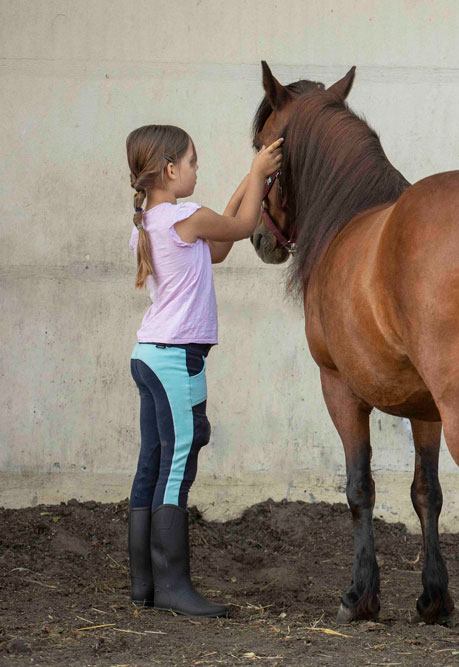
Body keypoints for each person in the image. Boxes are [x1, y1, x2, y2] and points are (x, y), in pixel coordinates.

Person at [125, 124, 282, 617]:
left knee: (152, 462)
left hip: (152, 353)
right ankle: (173, 586)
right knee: (177, 464)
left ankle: (143, 584)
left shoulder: (151, 221)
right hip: (174, 357)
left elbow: (219, 247)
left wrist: (247, 180)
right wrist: (258, 174)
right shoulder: (185, 216)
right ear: (171, 170)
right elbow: (240, 228)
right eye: (193, 163)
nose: (197, 170)